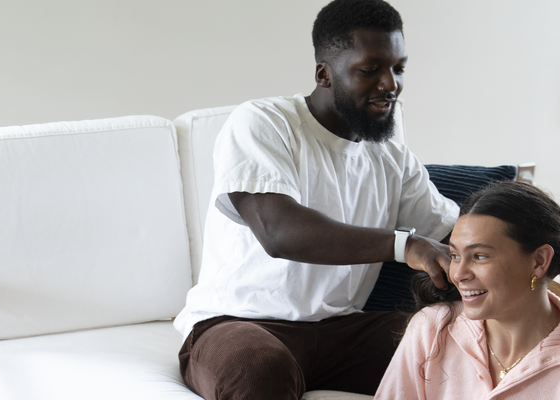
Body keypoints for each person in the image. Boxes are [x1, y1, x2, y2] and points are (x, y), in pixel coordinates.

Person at [174, 0, 459, 398]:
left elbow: (448, 234)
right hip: (237, 324)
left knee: (461, 340)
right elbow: (279, 232)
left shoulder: (391, 153)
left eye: (398, 68)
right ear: (324, 74)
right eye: (370, 70)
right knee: (261, 369)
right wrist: (404, 245)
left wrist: (522, 266)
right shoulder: (263, 123)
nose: (390, 84)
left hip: (342, 329)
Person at [375, 181, 560, 399]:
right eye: (455, 255)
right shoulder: (430, 329)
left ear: (539, 261)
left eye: (479, 256)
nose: (458, 274)